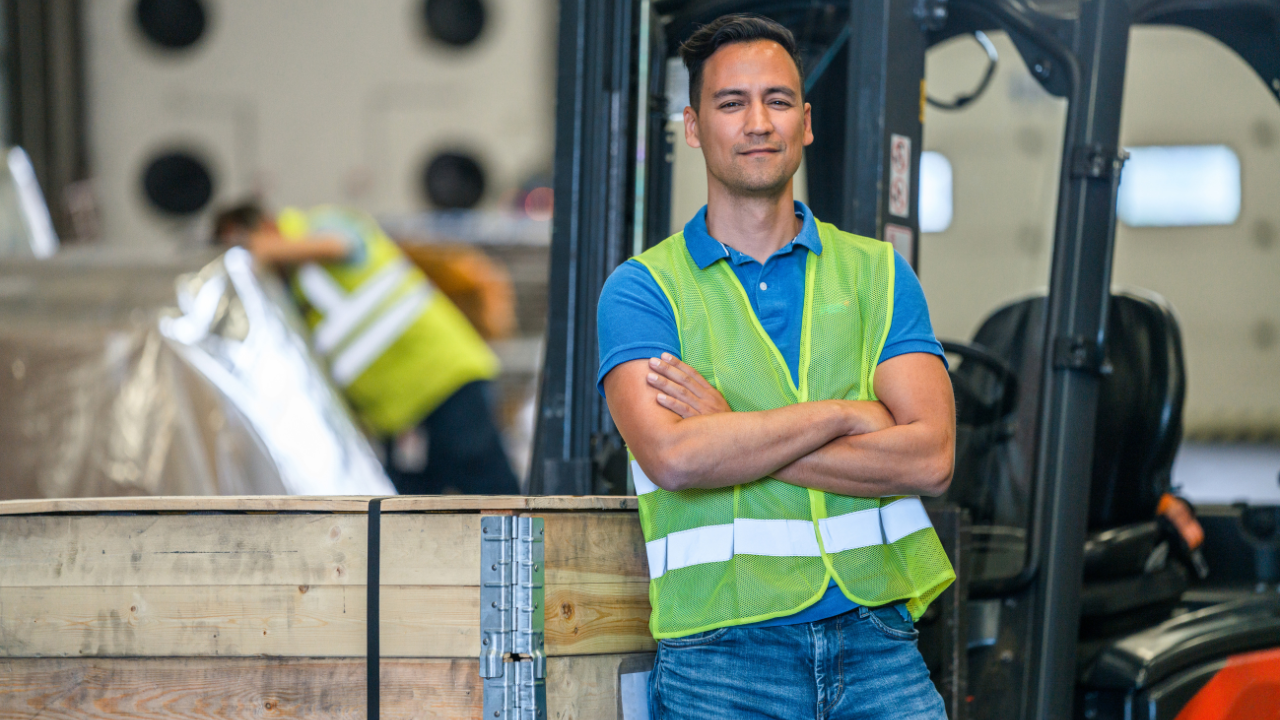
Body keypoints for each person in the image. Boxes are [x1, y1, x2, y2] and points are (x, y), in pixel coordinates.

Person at [597, 15, 956, 719]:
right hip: (722, 658)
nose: (758, 121)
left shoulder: (878, 273)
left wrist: (732, 432)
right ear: (694, 128)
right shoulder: (645, 290)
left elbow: (932, 458)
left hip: (878, 638)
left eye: (779, 100)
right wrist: (844, 415)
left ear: (807, 122)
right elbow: (674, 457)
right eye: (732, 103)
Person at [213, 202, 519, 496]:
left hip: (444, 379)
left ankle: (531, 550)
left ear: (265, 226)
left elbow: (342, 244)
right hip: (399, 414)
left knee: (488, 484)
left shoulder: (322, 224)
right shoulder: (288, 293)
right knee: (414, 505)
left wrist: (259, 249)